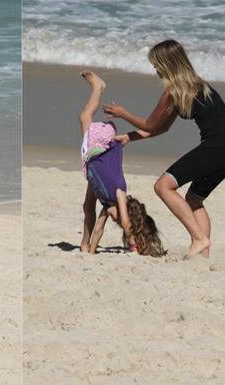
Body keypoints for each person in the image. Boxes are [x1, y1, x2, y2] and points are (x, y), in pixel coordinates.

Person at [103, 39, 225, 259]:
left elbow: (150, 124)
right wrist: (129, 138)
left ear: (168, 64)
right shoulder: (195, 85)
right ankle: (202, 255)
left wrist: (123, 113)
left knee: (163, 186)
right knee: (194, 200)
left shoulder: (174, 91)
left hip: (218, 146)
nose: (155, 70)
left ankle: (199, 239)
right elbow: (162, 128)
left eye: (157, 65)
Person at [78, 71, 166, 257]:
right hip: (100, 150)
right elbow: (126, 222)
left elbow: (99, 231)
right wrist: (133, 242)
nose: (115, 219)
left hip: (97, 169)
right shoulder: (119, 192)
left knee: (88, 205)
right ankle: (98, 87)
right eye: (118, 218)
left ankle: (84, 245)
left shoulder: (107, 206)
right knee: (85, 117)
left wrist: (91, 252)